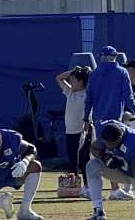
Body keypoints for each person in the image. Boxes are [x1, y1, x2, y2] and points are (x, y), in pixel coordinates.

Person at [85, 46, 135, 202]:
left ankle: (110, 189)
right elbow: (129, 96)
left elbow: (88, 98)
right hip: (116, 122)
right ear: (115, 57)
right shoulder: (122, 72)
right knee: (117, 152)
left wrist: (85, 118)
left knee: (101, 153)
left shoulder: (95, 73)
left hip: (98, 120)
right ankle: (116, 189)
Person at [56, 66, 92, 199]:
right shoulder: (70, 92)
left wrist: (85, 72)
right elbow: (59, 78)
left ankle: (88, 187)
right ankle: (73, 187)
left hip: (82, 130)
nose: (71, 82)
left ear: (82, 82)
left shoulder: (88, 93)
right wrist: (73, 72)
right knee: (72, 160)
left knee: (84, 159)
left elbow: (93, 79)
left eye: (75, 80)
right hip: (70, 131)